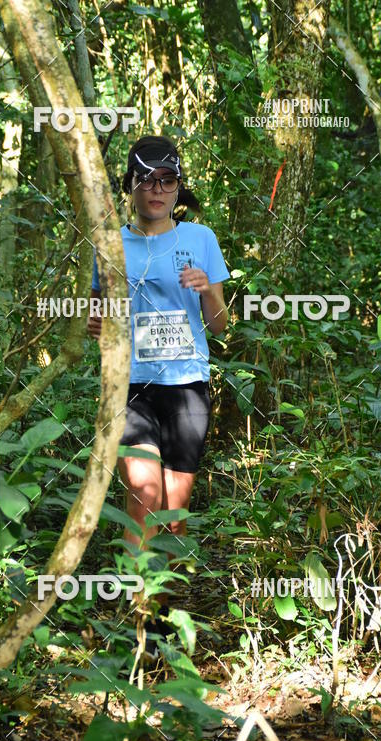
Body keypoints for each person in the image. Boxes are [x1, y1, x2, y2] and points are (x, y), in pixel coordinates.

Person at [87, 135, 229, 612]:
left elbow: (220, 324)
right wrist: (95, 323)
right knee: (142, 499)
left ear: (178, 188)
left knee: (173, 515)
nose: (157, 190)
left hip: (186, 387)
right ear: (130, 185)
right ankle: (137, 616)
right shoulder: (111, 243)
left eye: (167, 181)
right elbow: (98, 314)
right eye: (147, 180)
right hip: (132, 387)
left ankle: (163, 613)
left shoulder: (200, 239)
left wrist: (208, 290)